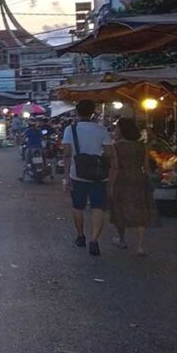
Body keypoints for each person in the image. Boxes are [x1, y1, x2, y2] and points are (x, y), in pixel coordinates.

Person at [62, 99, 113, 256]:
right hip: (98, 175)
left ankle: (80, 236)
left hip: (77, 174)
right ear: (93, 113)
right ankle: (94, 240)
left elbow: (67, 154)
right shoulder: (102, 129)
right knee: (98, 207)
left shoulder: (70, 130)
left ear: (77, 112)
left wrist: (66, 177)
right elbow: (109, 153)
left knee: (78, 206)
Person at [109, 117, 152, 256]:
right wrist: (149, 180)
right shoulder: (142, 146)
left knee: (120, 209)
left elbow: (115, 167)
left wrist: (110, 184)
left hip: (122, 179)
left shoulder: (116, 146)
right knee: (140, 209)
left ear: (121, 129)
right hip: (139, 178)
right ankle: (140, 246)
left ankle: (122, 239)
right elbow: (146, 166)